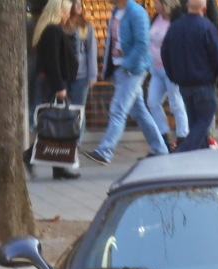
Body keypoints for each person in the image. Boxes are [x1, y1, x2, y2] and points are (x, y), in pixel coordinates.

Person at [83, 0, 169, 165]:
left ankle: (105, 151)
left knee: (118, 110)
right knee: (139, 112)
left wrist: (127, 66)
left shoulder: (137, 12)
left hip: (133, 70)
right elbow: (112, 42)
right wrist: (109, 68)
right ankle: (160, 148)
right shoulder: (116, 12)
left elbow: (142, 44)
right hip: (120, 69)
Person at [160, 0, 218, 152]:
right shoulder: (207, 26)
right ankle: (184, 152)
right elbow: (217, 56)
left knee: (195, 121)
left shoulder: (175, 27)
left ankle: (199, 155)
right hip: (204, 83)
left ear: (187, 7)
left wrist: (173, 75)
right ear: (204, 8)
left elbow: (165, 52)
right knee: (204, 120)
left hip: (184, 84)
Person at [30, 0, 81, 179]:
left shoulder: (50, 29)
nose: (68, 15)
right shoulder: (53, 30)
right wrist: (59, 86)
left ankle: (58, 167)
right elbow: (53, 61)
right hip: (54, 84)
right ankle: (31, 155)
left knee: (55, 122)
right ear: (58, 12)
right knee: (55, 123)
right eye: (66, 12)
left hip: (53, 82)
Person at [147, 0, 187, 152]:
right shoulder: (155, 18)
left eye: (157, 2)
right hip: (156, 68)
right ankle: (163, 136)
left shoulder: (177, 20)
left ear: (166, 4)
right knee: (152, 102)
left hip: (171, 68)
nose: (154, 6)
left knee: (175, 102)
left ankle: (183, 137)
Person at [67, 0, 96, 149]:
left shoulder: (87, 27)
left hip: (82, 74)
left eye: (80, 4)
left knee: (79, 109)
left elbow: (91, 52)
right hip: (65, 74)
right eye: (75, 4)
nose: (78, 7)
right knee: (66, 109)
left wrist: (92, 76)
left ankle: (76, 141)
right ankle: (66, 138)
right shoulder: (64, 24)